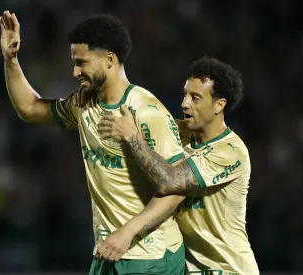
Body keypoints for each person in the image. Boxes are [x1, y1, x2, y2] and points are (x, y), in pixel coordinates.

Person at [0, 11, 187, 274]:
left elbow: (178, 187)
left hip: (151, 257)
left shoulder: (147, 112)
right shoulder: (85, 104)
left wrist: (127, 232)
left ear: (109, 60)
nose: (75, 71)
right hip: (109, 251)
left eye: (82, 63)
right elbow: (30, 108)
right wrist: (11, 59)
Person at [97, 56, 260, 274]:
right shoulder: (178, 133)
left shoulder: (230, 152)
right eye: (185, 94)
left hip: (227, 268)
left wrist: (133, 136)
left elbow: (169, 182)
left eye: (195, 98)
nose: (184, 103)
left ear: (219, 105)